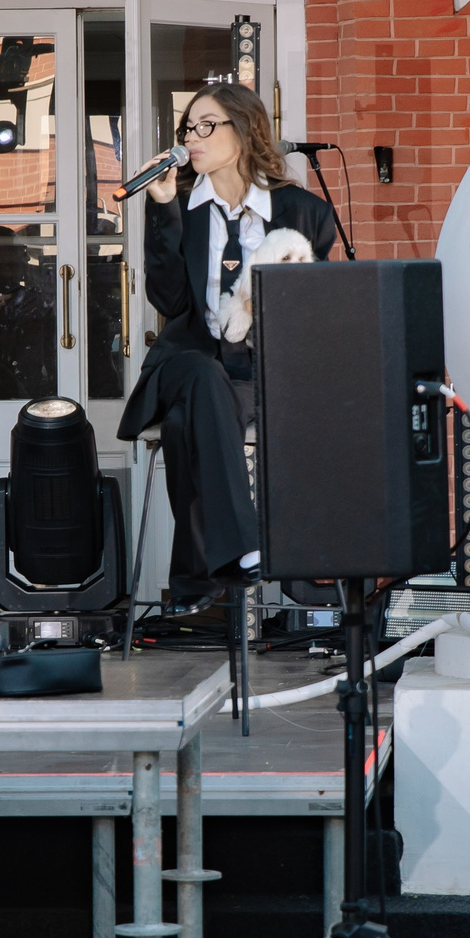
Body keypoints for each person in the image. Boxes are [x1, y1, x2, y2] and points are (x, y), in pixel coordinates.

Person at [118, 82, 339, 606]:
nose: (191, 138)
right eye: (187, 127)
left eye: (205, 125)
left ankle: (197, 579)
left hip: (262, 374)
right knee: (201, 375)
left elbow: (316, 312)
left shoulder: (302, 212)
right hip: (184, 364)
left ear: (243, 131)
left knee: (185, 425)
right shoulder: (183, 206)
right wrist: (164, 210)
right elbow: (170, 300)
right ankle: (245, 543)